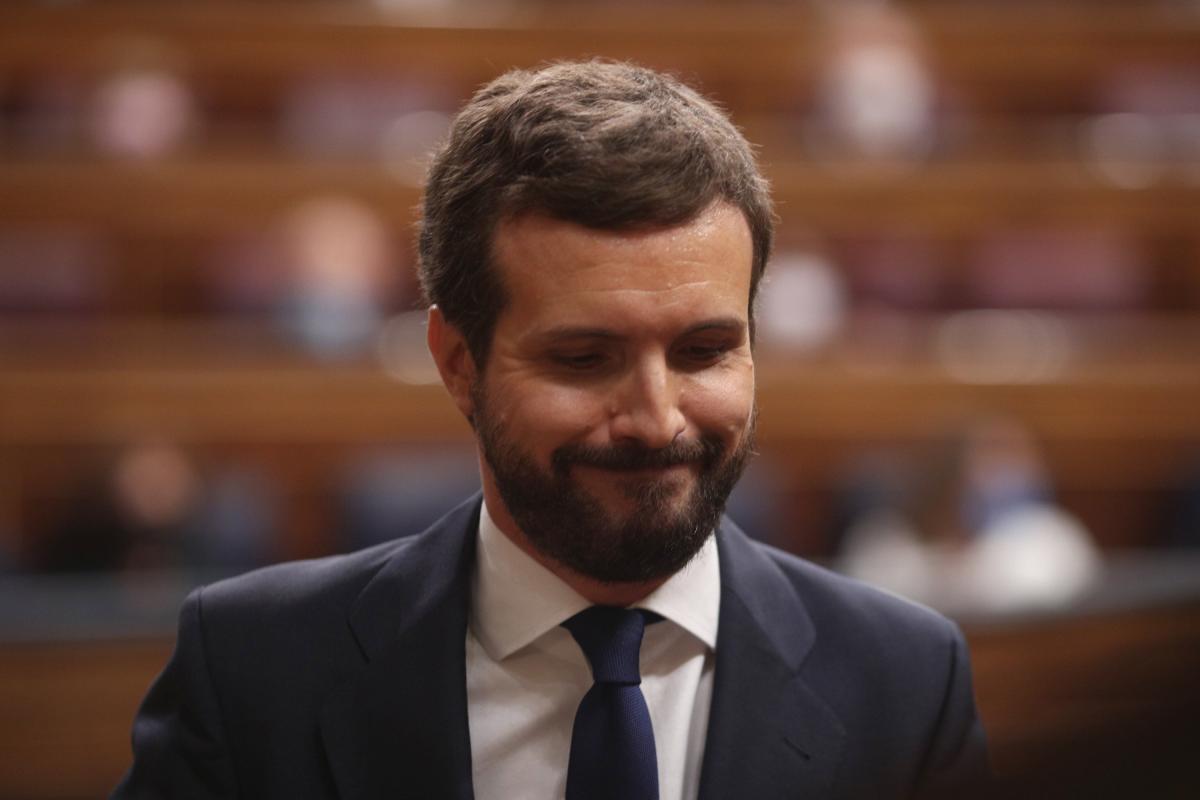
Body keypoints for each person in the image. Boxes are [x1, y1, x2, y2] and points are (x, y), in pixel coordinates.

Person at [115, 60, 988, 800]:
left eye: (705, 351)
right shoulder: (254, 672)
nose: (656, 418)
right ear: (458, 362)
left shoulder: (907, 682)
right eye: (583, 358)